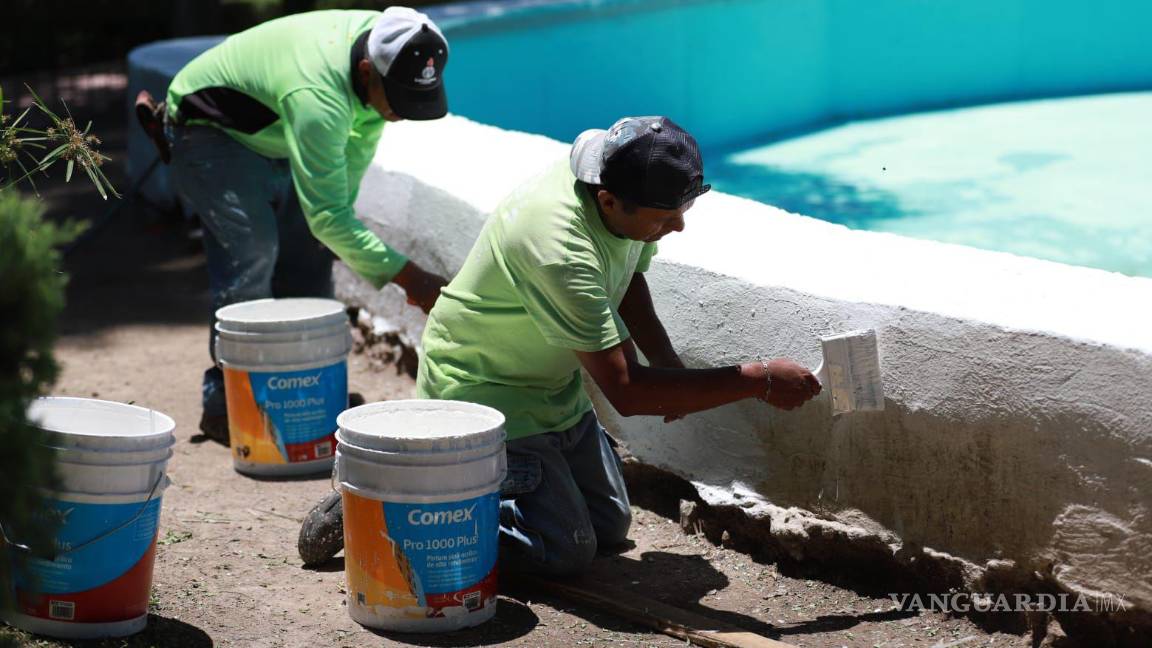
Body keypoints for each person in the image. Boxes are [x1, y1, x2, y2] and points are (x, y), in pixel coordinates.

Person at [298, 115, 821, 571]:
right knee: (563, 551)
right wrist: (757, 379)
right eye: (666, 218)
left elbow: (628, 282)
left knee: (609, 530)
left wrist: (669, 364)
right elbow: (628, 393)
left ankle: (461, 494)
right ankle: (397, 501)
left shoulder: (612, 174)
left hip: (552, 391)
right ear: (609, 200)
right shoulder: (558, 247)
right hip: (486, 395)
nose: (678, 227)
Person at [163, 7, 450, 444]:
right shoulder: (319, 93)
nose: (400, 113)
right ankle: (231, 401)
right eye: (397, 98)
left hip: (277, 128)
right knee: (252, 252)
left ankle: (309, 391)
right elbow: (328, 216)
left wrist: (337, 237)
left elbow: (338, 201)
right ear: (366, 70)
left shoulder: (392, 47)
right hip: (211, 131)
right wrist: (411, 278)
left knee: (313, 253)